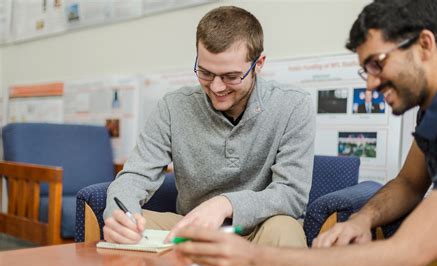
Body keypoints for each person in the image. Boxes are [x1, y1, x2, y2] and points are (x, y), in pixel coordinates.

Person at [173, 0, 437, 266]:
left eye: (377, 63)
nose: (369, 84)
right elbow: (409, 183)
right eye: (364, 69)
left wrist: (253, 257)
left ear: (424, 44)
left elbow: (408, 252)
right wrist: (361, 219)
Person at [103, 6, 316, 248]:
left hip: (262, 231)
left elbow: (291, 195)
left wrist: (225, 204)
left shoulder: (294, 104)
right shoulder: (173, 107)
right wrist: (121, 217)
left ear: (258, 64)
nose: (216, 87)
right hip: (192, 230)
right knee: (128, 229)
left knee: (284, 228)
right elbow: (135, 176)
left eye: (231, 76)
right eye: (205, 72)